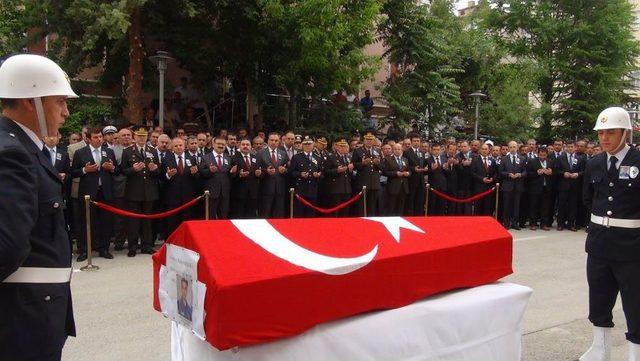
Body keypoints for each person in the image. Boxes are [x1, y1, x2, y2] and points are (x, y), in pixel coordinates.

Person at [0, 54, 77, 360]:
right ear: (31, 101)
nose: (66, 112)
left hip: (33, 308)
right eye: (59, 101)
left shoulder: (23, 147)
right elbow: (7, 246)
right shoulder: (13, 154)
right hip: (23, 316)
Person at [580, 107, 640, 361]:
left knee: (635, 303)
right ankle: (600, 349)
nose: (604, 138)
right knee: (599, 298)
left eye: (610, 132)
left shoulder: (638, 162)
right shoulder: (594, 163)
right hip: (599, 245)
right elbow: (587, 200)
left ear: (626, 133)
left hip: (631, 247)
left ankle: (635, 352)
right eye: (600, 133)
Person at [71, 127, 118, 261]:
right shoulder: (80, 153)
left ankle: (104, 249)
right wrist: (85, 170)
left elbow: (116, 170)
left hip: (105, 191)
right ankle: (86, 250)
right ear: (89, 139)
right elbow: (73, 172)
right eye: (96, 137)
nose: (99, 139)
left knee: (106, 221)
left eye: (100, 137)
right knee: (87, 221)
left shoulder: (108, 151)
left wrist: (112, 168)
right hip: (87, 193)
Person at [121, 127, 160, 257]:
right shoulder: (127, 151)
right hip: (134, 191)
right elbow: (123, 171)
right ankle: (132, 246)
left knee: (147, 221)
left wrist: (154, 169)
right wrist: (133, 169)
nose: (142, 138)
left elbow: (158, 171)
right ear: (135, 137)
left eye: (144, 136)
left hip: (149, 191)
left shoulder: (153, 151)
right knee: (134, 221)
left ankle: (147, 245)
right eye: (139, 136)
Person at [161, 137, 199, 234]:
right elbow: (161, 178)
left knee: (187, 222)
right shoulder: (166, 159)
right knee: (172, 223)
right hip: (172, 197)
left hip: (187, 198)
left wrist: (194, 173)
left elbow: (196, 179)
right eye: (176, 146)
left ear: (184, 146)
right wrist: (168, 175)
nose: (178, 147)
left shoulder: (192, 159)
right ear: (172, 148)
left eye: (180, 145)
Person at [200, 136, 236, 219]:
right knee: (211, 217)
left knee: (223, 217)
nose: (221, 146)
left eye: (223, 144)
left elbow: (230, 176)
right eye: (218, 143)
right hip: (211, 193)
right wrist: (210, 171)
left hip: (225, 193)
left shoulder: (228, 157)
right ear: (213, 144)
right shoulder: (205, 157)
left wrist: (232, 172)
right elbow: (202, 174)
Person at [257, 133, 289, 218]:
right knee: (265, 213)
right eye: (271, 140)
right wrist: (266, 171)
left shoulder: (283, 154)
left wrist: (284, 170)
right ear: (267, 141)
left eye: (276, 140)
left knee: (278, 214)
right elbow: (257, 170)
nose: (273, 142)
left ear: (279, 142)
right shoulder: (260, 153)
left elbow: (288, 169)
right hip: (265, 188)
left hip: (279, 189)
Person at [290, 136, 323, 218]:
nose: (307, 146)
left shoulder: (318, 157)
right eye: (305, 144)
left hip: (313, 189)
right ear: (302, 145)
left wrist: (318, 175)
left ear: (313, 145)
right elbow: (291, 172)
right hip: (300, 189)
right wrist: (300, 174)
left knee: (311, 214)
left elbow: (322, 172)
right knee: (299, 213)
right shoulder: (297, 157)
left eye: (309, 144)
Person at [230, 139, 262, 218]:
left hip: (253, 193)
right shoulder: (233, 158)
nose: (245, 146)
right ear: (239, 146)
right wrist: (239, 175)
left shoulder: (256, 158)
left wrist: (259, 174)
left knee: (251, 216)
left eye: (247, 145)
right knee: (238, 216)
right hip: (238, 193)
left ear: (251, 147)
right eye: (243, 144)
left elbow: (262, 171)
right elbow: (229, 175)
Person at [499, 141, 527, 230]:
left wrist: (520, 175)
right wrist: (508, 174)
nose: (512, 149)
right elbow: (500, 172)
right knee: (506, 205)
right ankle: (506, 223)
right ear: (508, 148)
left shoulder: (522, 159)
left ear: (517, 148)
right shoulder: (504, 159)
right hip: (507, 186)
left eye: (514, 147)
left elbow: (525, 172)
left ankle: (515, 223)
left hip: (518, 186)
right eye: (511, 147)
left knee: (516, 205)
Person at [382, 143, 410, 216]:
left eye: (399, 149)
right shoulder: (388, 159)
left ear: (401, 150)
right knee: (391, 206)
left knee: (401, 206)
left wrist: (408, 173)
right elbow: (385, 172)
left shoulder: (405, 159)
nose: (397, 151)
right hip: (393, 186)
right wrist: (395, 173)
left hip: (403, 186)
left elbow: (409, 171)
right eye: (395, 149)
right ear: (393, 150)